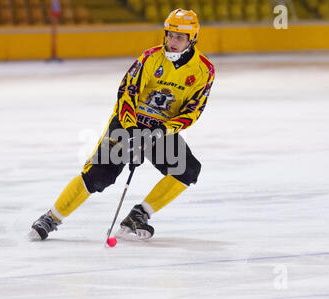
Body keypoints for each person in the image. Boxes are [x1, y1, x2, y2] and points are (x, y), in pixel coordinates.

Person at [29, 8, 215, 241]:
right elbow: (127, 93)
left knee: (188, 170)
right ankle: (51, 217)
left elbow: (193, 111)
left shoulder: (203, 70)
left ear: (192, 38)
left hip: (160, 130)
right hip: (128, 123)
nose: (172, 41)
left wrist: (161, 131)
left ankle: (140, 214)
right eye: (170, 35)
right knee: (99, 176)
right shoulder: (150, 58)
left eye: (179, 37)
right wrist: (132, 130)